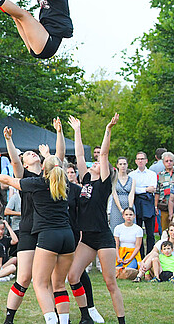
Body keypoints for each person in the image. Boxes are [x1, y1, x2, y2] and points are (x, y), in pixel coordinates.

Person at [0, 154, 74, 324]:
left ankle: (51, 320)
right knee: (59, 285)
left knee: (40, 283)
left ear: (44, 170)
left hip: (49, 236)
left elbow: (8, 180)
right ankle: (64, 321)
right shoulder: (64, 183)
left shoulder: (38, 183)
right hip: (68, 236)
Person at [66, 114, 126, 324]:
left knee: (110, 283)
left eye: (101, 162)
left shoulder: (103, 184)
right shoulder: (86, 180)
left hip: (103, 237)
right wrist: (77, 130)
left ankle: (122, 321)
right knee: (73, 276)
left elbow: (104, 154)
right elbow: (80, 155)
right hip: (87, 239)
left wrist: (108, 129)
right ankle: (87, 315)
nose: (96, 162)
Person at [129, 150, 158, 255]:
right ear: (136, 161)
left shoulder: (152, 174)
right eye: (138, 159)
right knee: (138, 231)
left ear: (146, 161)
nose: (140, 161)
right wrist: (145, 189)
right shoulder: (132, 175)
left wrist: (140, 189)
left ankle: (150, 256)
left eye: (142, 159)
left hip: (149, 202)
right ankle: (139, 256)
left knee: (150, 233)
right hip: (137, 203)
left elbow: (153, 188)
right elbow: (133, 190)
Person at [114, 208, 143, 274]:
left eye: (130, 215)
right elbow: (116, 245)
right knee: (116, 269)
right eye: (126, 215)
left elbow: (137, 247)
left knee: (127, 270)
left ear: (134, 216)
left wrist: (130, 259)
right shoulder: (118, 228)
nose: (128, 217)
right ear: (123, 216)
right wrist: (118, 257)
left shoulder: (138, 229)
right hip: (121, 253)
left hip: (133, 254)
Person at [110, 156, 136, 232]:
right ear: (117, 165)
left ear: (127, 165)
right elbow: (114, 194)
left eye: (124, 164)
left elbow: (131, 194)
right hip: (116, 207)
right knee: (116, 229)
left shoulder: (132, 180)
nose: (123, 166)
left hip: (128, 205)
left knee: (130, 229)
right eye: (120, 164)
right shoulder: (114, 179)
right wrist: (121, 209)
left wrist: (129, 209)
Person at [155, 151, 174, 231]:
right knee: (164, 229)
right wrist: (155, 206)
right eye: (167, 161)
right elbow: (157, 192)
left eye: (171, 161)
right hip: (163, 205)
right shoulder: (160, 175)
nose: (169, 163)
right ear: (163, 162)